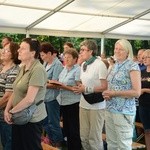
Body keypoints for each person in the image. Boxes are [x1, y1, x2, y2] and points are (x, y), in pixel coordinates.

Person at [4, 38, 47, 150]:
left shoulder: (38, 69)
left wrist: (12, 112)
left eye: (23, 48)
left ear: (32, 53)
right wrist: (7, 110)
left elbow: (29, 99)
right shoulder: (23, 68)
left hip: (31, 119)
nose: (19, 50)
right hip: (19, 116)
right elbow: (15, 91)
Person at [102, 39, 141, 150]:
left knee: (123, 145)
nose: (117, 51)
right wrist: (108, 93)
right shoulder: (114, 66)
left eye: (121, 49)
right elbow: (111, 86)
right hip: (110, 109)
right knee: (111, 144)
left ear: (128, 52)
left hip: (124, 112)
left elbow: (137, 92)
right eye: (116, 48)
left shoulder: (132, 66)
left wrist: (114, 93)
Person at [73, 40, 108, 150]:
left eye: (83, 50)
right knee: (84, 136)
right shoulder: (83, 64)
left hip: (96, 106)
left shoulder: (100, 64)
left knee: (94, 138)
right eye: (80, 50)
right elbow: (84, 82)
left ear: (91, 51)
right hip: (84, 103)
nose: (80, 52)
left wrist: (86, 88)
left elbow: (104, 87)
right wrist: (80, 87)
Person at [51, 48, 81, 150]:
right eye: (65, 57)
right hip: (63, 102)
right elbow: (59, 81)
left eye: (69, 58)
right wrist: (55, 83)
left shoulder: (78, 70)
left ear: (75, 59)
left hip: (73, 103)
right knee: (67, 129)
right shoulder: (64, 69)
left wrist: (64, 86)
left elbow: (78, 89)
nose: (66, 59)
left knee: (74, 130)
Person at [40, 42, 63, 148]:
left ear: (49, 53)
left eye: (43, 55)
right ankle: (51, 139)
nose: (41, 57)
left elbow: (56, 84)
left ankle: (57, 142)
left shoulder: (57, 64)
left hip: (53, 98)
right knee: (45, 121)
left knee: (53, 122)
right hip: (45, 98)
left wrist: (43, 83)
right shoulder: (45, 63)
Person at [0, 42, 20, 150]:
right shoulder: (2, 67)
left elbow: (8, 96)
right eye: (3, 49)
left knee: (9, 143)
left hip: (5, 114)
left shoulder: (14, 70)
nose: (3, 51)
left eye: (7, 50)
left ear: (13, 54)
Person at [138, 49, 150, 150]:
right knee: (146, 130)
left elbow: (142, 89)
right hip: (143, 105)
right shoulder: (141, 72)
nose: (144, 59)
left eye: (147, 57)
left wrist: (145, 90)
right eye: (143, 57)